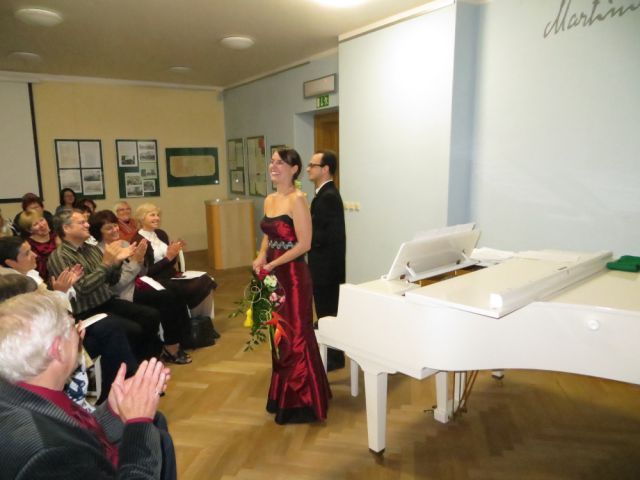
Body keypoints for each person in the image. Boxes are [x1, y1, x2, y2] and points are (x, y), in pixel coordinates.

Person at [0, 289, 176, 479]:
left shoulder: (19, 389)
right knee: (156, 437)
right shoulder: (48, 452)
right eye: (74, 327)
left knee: (158, 430)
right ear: (57, 350)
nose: (81, 332)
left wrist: (113, 410)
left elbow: (75, 432)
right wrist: (138, 424)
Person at [253, 148, 331, 424]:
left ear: (294, 168)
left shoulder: (298, 199)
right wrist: (261, 256)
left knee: (296, 334)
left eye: (280, 163)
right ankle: (283, 395)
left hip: (294, 276)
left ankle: (304, 401)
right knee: (280, 334)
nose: (273, 166)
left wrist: (273, 264)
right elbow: (268, 235)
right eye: (272, 162)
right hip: (272, 274)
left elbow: (304, 244)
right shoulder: (269, 199)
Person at [91, 210, 192, 364]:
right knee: (166, 298)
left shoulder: (124, 244)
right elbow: (117, 285)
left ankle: (182, 340)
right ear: (98, 232)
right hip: (124, 293)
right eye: (109, 228)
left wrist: (141, 260)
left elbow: (143, 272)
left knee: (175, 292)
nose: (115, 229)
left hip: (139, 283)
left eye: (115, 225)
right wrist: (135, 262)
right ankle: (171, 346)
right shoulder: (99, 252)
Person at [132, 203, 217, 320]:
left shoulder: (160, 234)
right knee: (197, 285)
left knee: (206, 279)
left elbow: (170, 263)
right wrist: (168, 257)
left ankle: (201, 319)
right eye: (152, 215)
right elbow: (145, 273)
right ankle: (191, 318)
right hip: (155, 280)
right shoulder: (138, 241)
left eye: (157, 215)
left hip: (170, 275)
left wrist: (174, 253)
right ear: (141, 218)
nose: (157, 218)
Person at [306, 149, 347, 371]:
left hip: (326, 268)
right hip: (326, 266)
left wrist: (301, 235)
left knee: (328, 313)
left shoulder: (328, 197)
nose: (308, 169)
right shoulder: (324, 194)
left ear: (325, 169)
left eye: (312, 165)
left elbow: (323, 236)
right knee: (326, 311)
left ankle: (333, 359)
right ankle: (332, 356)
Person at [18, 209, 60, 281]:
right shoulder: (28, 246)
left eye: (42, 220)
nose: (41, 225)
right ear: (29, 230)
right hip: (41, 282)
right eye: (35, 224)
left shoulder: (58, 237)